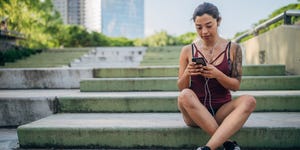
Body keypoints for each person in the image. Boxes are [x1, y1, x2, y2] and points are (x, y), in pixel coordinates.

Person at [177, 2, 256, 150]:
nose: (204, 31)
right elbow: (181, 87)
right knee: (185, 95)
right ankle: (227, 143)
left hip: (222, 111)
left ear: (218, 21)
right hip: (195, 112)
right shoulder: (187, 50)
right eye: (198, 27)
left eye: (209, 25)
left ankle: (208, 148)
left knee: (249, 101)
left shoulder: (234, 49)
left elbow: (236, 86)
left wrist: (218, 74)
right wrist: (187, 72)